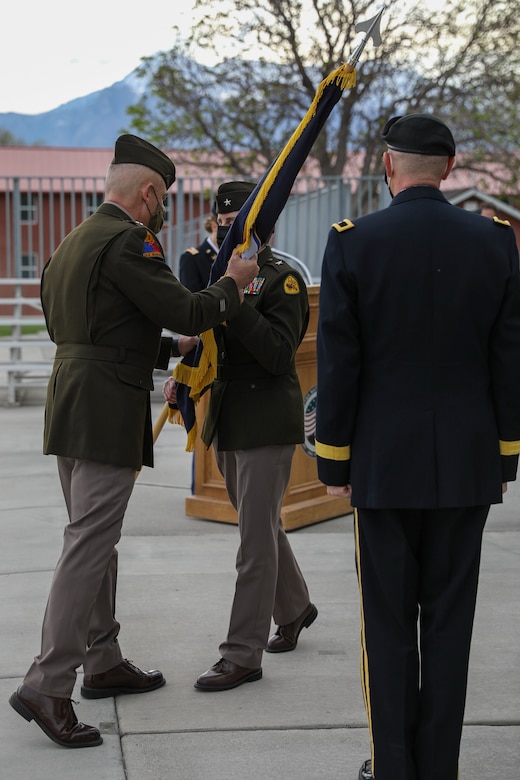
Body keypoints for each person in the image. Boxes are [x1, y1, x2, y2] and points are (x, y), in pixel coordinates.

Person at [8, 135, 259, 749]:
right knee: (88, 544)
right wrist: (233, 282)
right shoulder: (128, 239)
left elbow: (90, 327)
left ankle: (102, 659)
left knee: (95, 540)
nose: (164, 210)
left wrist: (167, 351)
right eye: (164, 198)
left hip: (71, 400)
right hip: (105, 407)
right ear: (149, 193)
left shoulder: (71, 241)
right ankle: (47, 683)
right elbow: (190, 308)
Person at [314, 114, 520, 780]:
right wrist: (506, 454)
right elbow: (508, 358)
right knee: (450, 624)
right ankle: (441, 766)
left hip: (381, 462)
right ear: (452, 168)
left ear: (386, 167)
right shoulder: (496, 242)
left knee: (388, 623)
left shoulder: (354, 242)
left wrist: (334, 459)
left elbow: (339, 362)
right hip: (466, 461)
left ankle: (395, 767)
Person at [165, 180, 317, 692]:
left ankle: (242, 654)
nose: (232, 235)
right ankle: (295, 608)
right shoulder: (216, 278)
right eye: (225, 225)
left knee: (253, 542)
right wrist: (182, 374)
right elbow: (204, 337)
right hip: (227, 417)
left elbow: (278, 354)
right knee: (262, 527)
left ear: (264, 228)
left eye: (242, 226)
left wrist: (237, 299)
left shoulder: (282, 280)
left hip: (266, 420)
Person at [179, 213, 218, 292]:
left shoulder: (237, 256)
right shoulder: (191, 258)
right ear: (214, 226)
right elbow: (193, 299)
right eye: (230, 224)